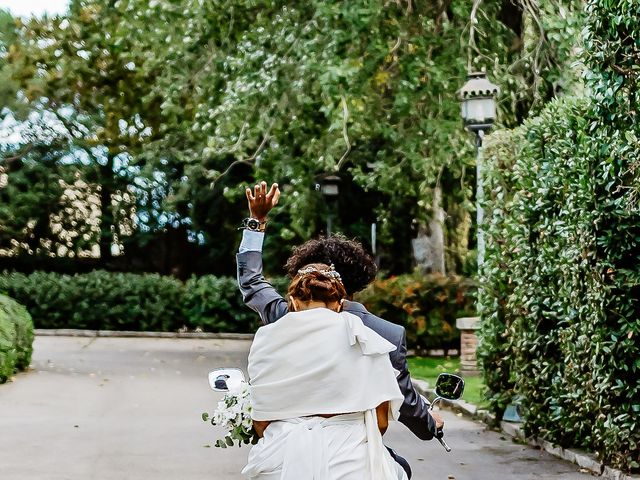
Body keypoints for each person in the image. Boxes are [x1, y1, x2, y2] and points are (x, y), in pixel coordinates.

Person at [237, 181, 444, 479]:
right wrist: (430, 425)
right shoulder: (383, 334)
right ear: (349, 288)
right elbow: (398, 407)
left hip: (280, 454)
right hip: (352, 456)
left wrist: (257, 221)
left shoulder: (283, 316)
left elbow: (252, 282)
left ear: (296, 290)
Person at [242, 263, 407, 479]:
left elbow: (261, 422)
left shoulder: (267, 338)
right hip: (352, 463)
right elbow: (380, 422)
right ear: (339, 304)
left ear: (293, 302)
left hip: (280, 458)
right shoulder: (363, 337)